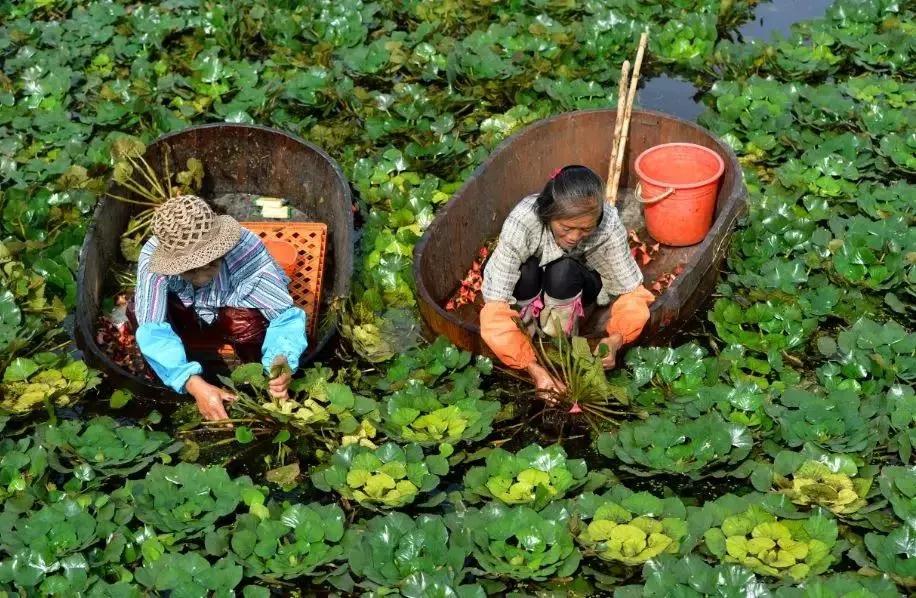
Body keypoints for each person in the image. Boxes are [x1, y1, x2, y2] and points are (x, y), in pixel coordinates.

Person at [480, 165, 655, 396]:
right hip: (530, 284)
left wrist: (616, 339)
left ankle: (558, 339)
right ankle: (530, 332)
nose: (574, 237)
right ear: (548, 214)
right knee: (526, 270)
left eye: (585, 229)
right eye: (566, 227)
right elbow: (495, 307)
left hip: (575, 283)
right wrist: (532, 368)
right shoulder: (523, 221)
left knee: (562, 271)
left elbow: (631, 292)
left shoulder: (607, 224)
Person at [131, 195, 308, 421]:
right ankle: (169, 373)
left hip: (228, 309)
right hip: (184, 311)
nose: (200, 277)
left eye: (209, 265)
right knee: (136, 311)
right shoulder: (152, 259)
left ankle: (256, 376)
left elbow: (284, 317)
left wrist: (281, 359)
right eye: (189, 270)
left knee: (249, 323)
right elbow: (152, 330)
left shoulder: (245, 248)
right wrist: (191, 383)